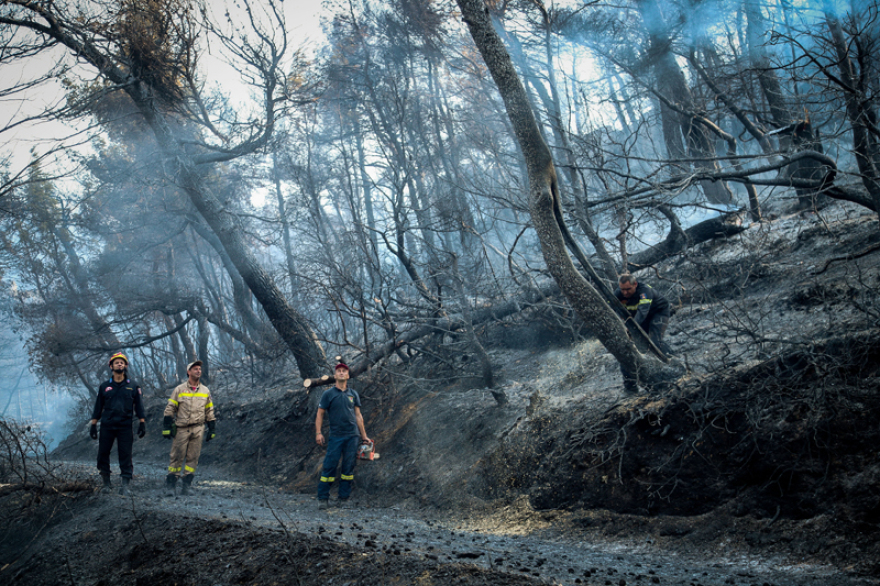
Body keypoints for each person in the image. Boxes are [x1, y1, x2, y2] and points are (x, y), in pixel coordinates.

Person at [89, 352, 146, 496]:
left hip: (125, 426)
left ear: (126, 365)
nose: (119, 364)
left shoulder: (133, 386)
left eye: (122, 362)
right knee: (103, 453)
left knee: (125, 454)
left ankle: (125, 485)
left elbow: (139, 406)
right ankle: (106, 484)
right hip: (107, 425)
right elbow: (98, 407)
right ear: (111, 366)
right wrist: (94, 425)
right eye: (116, 362)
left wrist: (142, 422)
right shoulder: (104, 386)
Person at [315, 362, 370, 510]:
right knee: (330, 466)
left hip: (353, 436)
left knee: (348, 468)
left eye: (343, 371)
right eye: (338, 371)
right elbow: (320, 414)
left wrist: (364, 437)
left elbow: (358, 416)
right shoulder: (328, 394)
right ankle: (323, 499)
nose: (341, 373)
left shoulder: (353, 394)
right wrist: (318, 433)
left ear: (348, 375)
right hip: (336, 436)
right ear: (335, 375)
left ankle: (343, 499)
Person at [162, 360, 217, 496]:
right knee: (176, 457)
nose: (198, 371)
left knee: (193, 458)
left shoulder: (205, 390)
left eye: (199, 369)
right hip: (182, 429)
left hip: (198, 428)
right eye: (195, 369)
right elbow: (170, 407)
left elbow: (209, 409)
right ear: (188, 372)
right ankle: (171, 486)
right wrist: (167, 425)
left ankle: (186, 486)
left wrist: (212, 428)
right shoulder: (179, 389)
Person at [614, 273, 673, 393]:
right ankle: (630, 387)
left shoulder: (644, 291)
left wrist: (631, 328)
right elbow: (612, 310)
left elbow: (643, 311)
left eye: (628, 289)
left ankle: (672, 362)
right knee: (628, 349)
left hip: (658, 313)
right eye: (622, 289)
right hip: (638, 318)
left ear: (635, 284)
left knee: (654, 341)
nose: (625, 293)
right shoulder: (618, 294)